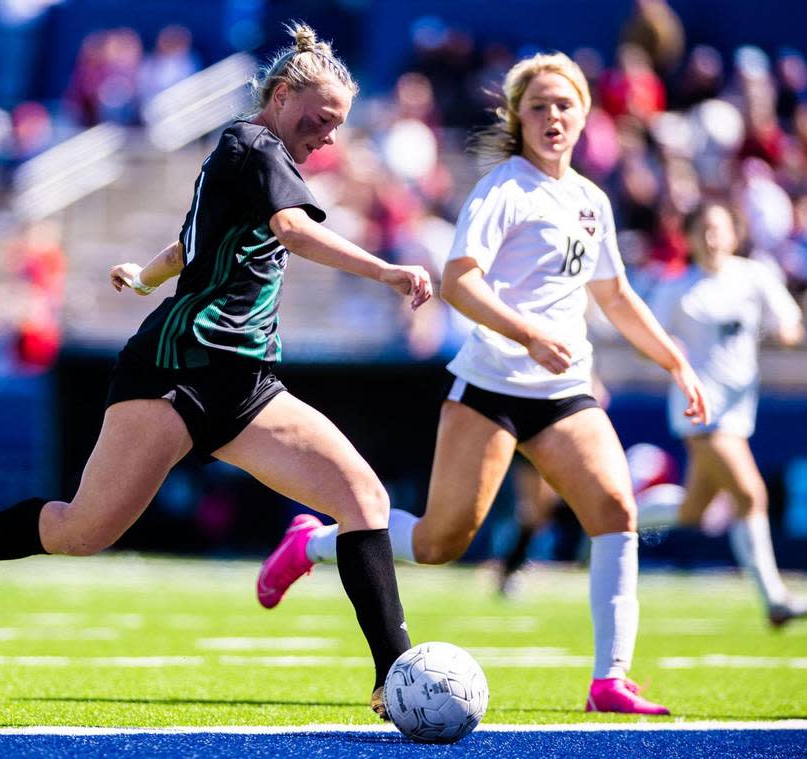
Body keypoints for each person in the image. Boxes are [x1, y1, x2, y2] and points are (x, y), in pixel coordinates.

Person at [0, 23, 433, 718]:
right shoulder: (254, 144)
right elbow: (293, 232)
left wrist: (147, 275)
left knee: (362, 496)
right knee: (84, 531)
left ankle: (393, 672)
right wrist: (387, 270)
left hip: (246, 385)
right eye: (322, 118)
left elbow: (190, 240)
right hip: (175, 371)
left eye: (338, 125)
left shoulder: (249, 157)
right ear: (280, 96)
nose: (330, 135)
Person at [256, 51, 709, 716]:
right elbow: (459, 282)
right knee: (442, 542)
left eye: (564, 105)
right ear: (517, 117)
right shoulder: (504, 190)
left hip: (564, 390)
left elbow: (615, 297)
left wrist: (675, 360)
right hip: (493, 385)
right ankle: (313, 542)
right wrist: (527, 333)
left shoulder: (589, 199)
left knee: (616, 510)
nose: (552, 115)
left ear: (584, 116)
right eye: (538, 105)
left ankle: (609, 678)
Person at [639, 201, 806, 627]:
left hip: (738, 410)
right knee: (750, 494)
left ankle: (615, 521)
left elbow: (788, 323)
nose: (711, 238)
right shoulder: (677, 287)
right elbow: (648, 338)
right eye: (703, 230)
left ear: (734, 234)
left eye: (719, 229)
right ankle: (775, 599)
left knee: (693, 511)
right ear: (690, 237)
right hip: (699, 410)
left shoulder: (755, 277)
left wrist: (786, 333)